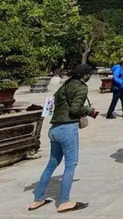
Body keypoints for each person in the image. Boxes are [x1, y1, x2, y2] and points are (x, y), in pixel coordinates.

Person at [29, 64, 98, 213]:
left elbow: (54, 103)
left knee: (51, 164)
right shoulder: (81, 87)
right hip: (68, 128)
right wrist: (90, 111)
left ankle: (38, 198)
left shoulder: (64, 86)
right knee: (70, 165)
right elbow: (75, 109)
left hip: (54, 129)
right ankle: (64, 202)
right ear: (84, 76)